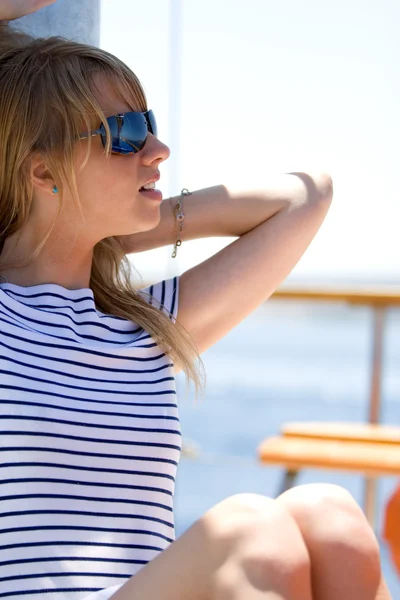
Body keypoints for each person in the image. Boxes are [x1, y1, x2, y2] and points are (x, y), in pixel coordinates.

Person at [0, 1, 392, 599]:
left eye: (150, 124)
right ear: (42, 170)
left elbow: (304, 197)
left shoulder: (143, 329)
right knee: (251, 530)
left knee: (331, 514)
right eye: (125, 135)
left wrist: (107, 227)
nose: (158, 149)